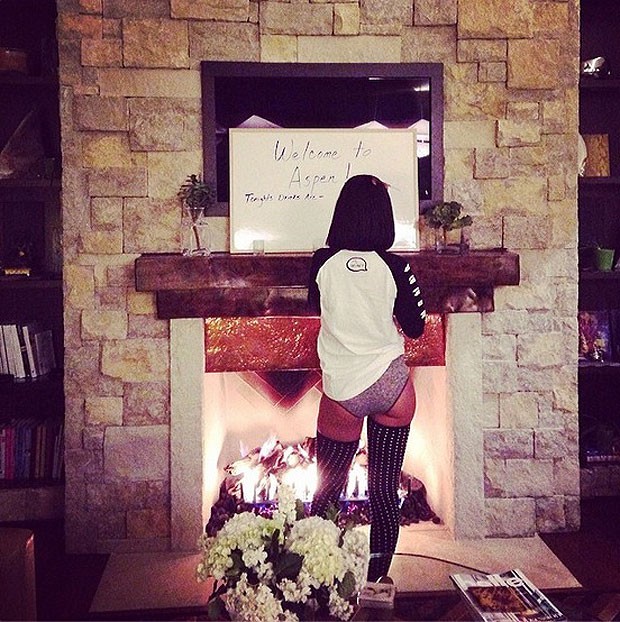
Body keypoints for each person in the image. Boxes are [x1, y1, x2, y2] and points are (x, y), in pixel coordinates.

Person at [307, 174, 426, 582]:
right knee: (384, 493)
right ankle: (376, 582)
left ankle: (319, 580)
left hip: (343, 392)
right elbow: (416, 327)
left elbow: (317, 305)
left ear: (342, 213)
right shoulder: (396, 267)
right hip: (393, 389)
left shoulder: (321, 262)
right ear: (383, 217)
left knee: (327, 492)